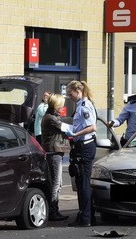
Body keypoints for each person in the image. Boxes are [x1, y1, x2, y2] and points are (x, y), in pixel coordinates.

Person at [64, 80, 97, 227]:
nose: (69, 97)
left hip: (85, 146)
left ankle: (86, 218)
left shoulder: (85, 106)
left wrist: (75, 133)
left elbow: (92, 127)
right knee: (81, 182)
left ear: (78, 92)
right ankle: (87, 216)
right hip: (81, 145)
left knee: (83, 184)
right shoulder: (80, 105)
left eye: (70, 94)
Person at [40, 93, 70, 221]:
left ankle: (53, 209)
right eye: (61, 105)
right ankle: (53, 211)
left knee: (57, 183)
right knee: (55, 183)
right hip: (54, 152)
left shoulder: (52, 116)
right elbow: (67, 128)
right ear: (56, 105)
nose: (62, 107)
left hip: (55, 152)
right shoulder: (51, 119)